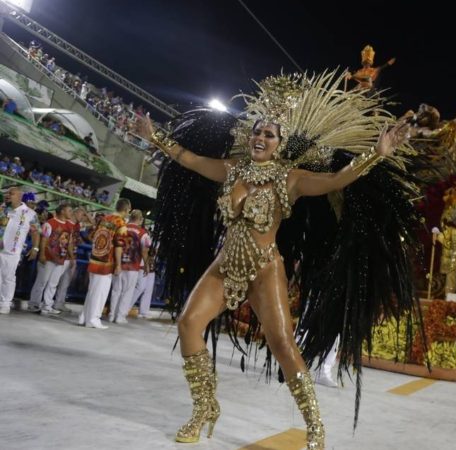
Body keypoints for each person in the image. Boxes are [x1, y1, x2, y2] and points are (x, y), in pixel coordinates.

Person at [139, 72, 418, 448]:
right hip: (225, 265)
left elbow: (337, 180)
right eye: (257, 131)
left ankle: (315, 426)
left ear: (280, 142)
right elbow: (188, 158)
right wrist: (153, 135)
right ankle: (204, 408)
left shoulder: (292, 179)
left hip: (264, 268)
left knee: (283, 345)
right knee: (189, 323)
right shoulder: (231, 169)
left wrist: (376, 154)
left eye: (269, 134)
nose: (260, 137)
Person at [78, 198, 130, 329]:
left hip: (95, 257)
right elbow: (119, 246)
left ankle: (84, 317)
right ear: (125, 209)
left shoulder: (105, 219)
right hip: (107, 261)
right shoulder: (121, 223)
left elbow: (93, 236)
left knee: (92, 290)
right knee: (100, 292)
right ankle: (93, 319)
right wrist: (118, 264)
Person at [26, 203, 74, 314]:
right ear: (62, 211)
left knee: (53, 283)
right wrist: (42, 254)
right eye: (69, 210)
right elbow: (44, 240)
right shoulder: (49, 223)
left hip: (61, 258)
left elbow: (69, 243)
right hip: (48, 257)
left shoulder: (69, 226)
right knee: (42, 281)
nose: (71, 213)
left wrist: (71, 257)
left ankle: (47, 305)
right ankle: (33, 304)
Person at [0, 187, 40, 314]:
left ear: (19, 196)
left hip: (13, 251)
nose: (7, 195)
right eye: (7, 193)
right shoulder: (3, 209)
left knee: (8, 277)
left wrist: (35, 247)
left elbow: (35, 233)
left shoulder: (30, 213)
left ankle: (5, 303)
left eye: (11, 193)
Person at [108, 209, 150, 323]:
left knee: (116, 290)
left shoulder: (122, 227)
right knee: (127, 292)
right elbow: (145, 251)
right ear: (140, 220)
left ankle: (112, 315)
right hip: (132, 266)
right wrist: (146, 264)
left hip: (118, 263)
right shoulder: (143, 233)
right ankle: (120, 316)